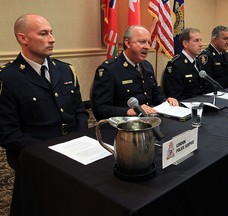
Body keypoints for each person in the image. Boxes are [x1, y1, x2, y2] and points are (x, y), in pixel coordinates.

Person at [0, 14, 88, 170]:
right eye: (43, 33)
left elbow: (80, 112)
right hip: (36, 155)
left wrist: (79, 139)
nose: (52, 39)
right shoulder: (8, 78)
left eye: (51, 32)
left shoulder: (66, 70)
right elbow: (7, 133)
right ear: (23, 39)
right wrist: (51, 149)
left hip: (75, 148)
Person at [91, 25, 178, 120]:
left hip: (149, 120)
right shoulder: (110, 69)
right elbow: (100, 109)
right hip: (123, 126)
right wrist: (131, 111)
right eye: (142, 42)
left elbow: (155, 94)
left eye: (149, 43)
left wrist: (166, 101)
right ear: (127, 43)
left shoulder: (147, 66)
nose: (147, 47)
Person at [162, 28, 211, 100]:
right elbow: (176, 96)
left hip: (203, 102)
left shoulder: (198, 62)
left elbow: (205, 87)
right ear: (185, 44)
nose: (201, 44)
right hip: (187, 106)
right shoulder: (175, 65)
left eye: (201, 40)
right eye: (196, 41)